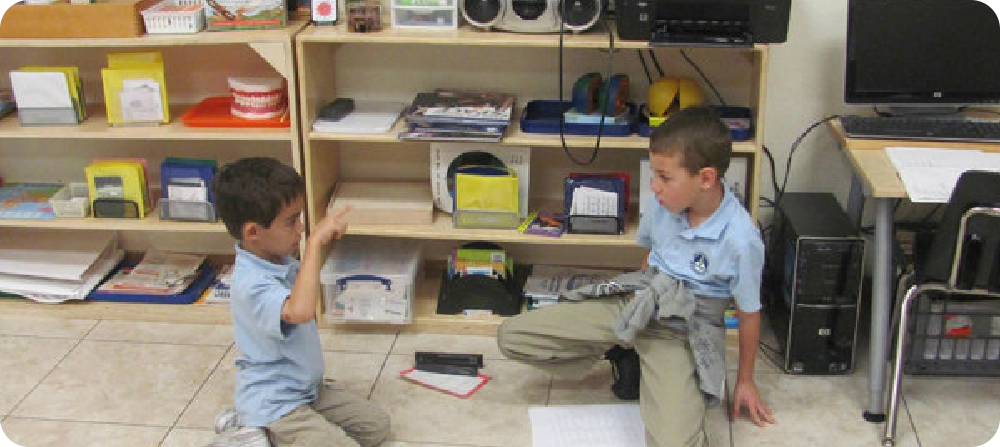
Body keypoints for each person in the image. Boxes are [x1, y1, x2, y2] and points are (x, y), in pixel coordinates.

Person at [497, 106, 776, 447]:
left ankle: (660, 372)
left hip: (680, 333)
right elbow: (648, 258)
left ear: (705, 178)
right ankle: (623, 349)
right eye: (654, 175)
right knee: (512, 337)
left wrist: (745, 380)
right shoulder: (664, 204)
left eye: (665, 176)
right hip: (637, 302)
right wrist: (625, 318)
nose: (654, 186)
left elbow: (749, 314)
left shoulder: (742, 238)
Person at [208, 157, 390, 447]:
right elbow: (301, 311)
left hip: (306, 390)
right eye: (291, 222)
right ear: (253, 232)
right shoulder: (251, 282)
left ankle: (264, 426)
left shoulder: (276, 259)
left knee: (376, 427)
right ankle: (252, 428)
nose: (301, 228)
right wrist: (315, 244)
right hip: (275, 401)